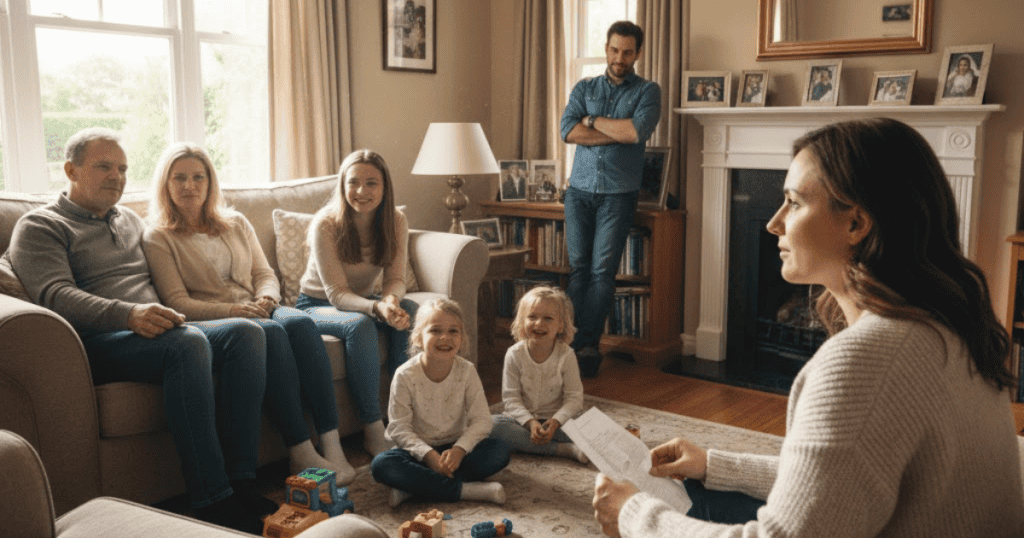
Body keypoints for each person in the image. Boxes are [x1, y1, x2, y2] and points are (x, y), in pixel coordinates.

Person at [591, 118, 1024, 537]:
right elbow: (845, 474)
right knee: (698, 489)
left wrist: (634, 516)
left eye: (794, 203)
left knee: (660, 507)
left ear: (856, 223)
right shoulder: (947, 322)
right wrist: (715, 464)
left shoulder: (865, 360)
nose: (773, 222)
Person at [4, 128, 273, 534]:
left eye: (123, 168)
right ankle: (212, 499)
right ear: (70, 170)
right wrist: (128, 315)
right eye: (104, 166)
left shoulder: (129, 219)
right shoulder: (41, 226)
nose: (117, 176)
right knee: (188, 344)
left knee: (245, 333)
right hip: (96, 342)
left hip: (156, 328)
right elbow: (55, 295)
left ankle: (242, 481)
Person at [142, 143, 356, 485]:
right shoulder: (158, 236)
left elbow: (264, 273)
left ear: (211, 182)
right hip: (216, 319)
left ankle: (333, 446)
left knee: (300, 322)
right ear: (165, 185)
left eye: (198, 177)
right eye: (179, 178)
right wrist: (234, 309)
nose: (189, 186)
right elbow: (177, 301)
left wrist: (267, 298)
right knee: (271, 333)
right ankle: (300, 450)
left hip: (258, 306)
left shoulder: (235, 222)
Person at [295, 149, 417, 458]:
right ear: (342, 185)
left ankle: (401, 418)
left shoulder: (396, 220)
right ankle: (373, 430)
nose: (361, 192)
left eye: (371, 183)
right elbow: (336, 294)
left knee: (412, 312)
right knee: (360, 324)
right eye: (353, 183)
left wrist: (390, 301)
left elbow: (395, 278)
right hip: (316, 304)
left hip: (363, 299)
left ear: (385, 187)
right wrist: (377, 308)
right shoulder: (326, 223)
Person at [559, 20, 661, 377]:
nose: (620, 57)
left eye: (628, 51)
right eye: (615, 49)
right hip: (579, 192)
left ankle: (586, 347)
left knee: (602, 273)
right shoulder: (584, 86)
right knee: (578, 270)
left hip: (618, 196)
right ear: (606, 48)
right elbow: (568, 131)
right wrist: (614, 131)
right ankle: (566, 344)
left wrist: (593, 121)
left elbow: (636, 131)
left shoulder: (648, 91)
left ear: (638, 53)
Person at [371, 298, 511, 507]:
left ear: (462, 339)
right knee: (382, 465)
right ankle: (465, 490)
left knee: (499, 450)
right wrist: (429, 457)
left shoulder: (467, 371)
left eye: (453, 331)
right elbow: (399, 428)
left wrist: (460, 449)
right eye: (435, 331)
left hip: (455, 450)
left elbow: (482, 420)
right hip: (417, 453)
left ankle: (413, 489)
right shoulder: (405, 375)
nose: (445, 338)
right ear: (418, 337)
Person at [489, 286, 588, 463]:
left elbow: (574, 399)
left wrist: (556, 421)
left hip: (558, 423)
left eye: (548, 318)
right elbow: (511, 400)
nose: (539, 323)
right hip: (522, 423)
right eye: (532, 317)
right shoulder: (514, 354)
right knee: (491, 425)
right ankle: (561, 449)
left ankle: (532, 443)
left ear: (560, 326)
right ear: (522, 321)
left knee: (593, 427)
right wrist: (530, 422)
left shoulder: (567, 355)